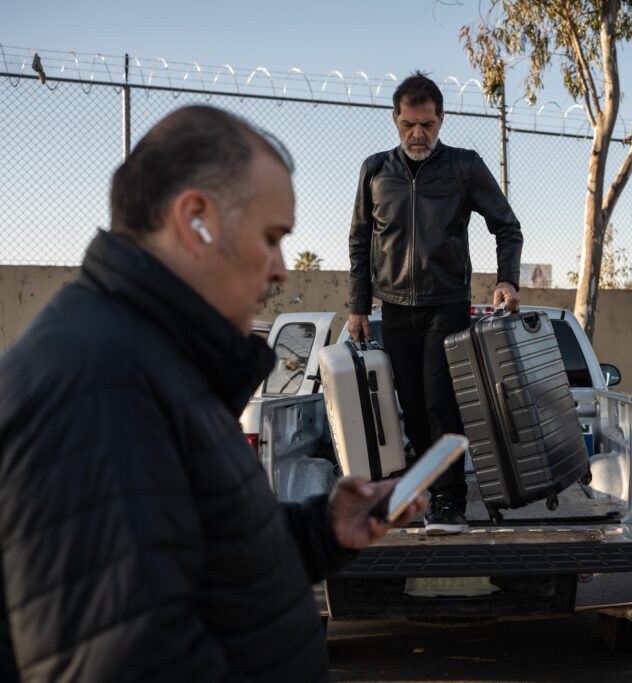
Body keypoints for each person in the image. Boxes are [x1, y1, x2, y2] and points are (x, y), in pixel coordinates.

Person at [0, 106, 424, 682]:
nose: (280, 269)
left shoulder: (151, 361)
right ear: (195, 219)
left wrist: (322, 532)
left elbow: (199, 553)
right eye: (271, 237)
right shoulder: (101, 387)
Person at [347, 71, 523, 535]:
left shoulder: (463, 166)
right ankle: (425, 492)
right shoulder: (374, 170)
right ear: (395, 120)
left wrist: (507, 278)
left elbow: (507, 225)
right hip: (395, 308)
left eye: (427, 124)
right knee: (411, 405)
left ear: (441, 120)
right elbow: (360, 241)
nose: (418, 134)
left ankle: (450, 503)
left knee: (441, 403)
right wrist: (358, 305)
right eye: (409, 124)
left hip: (446, 304)